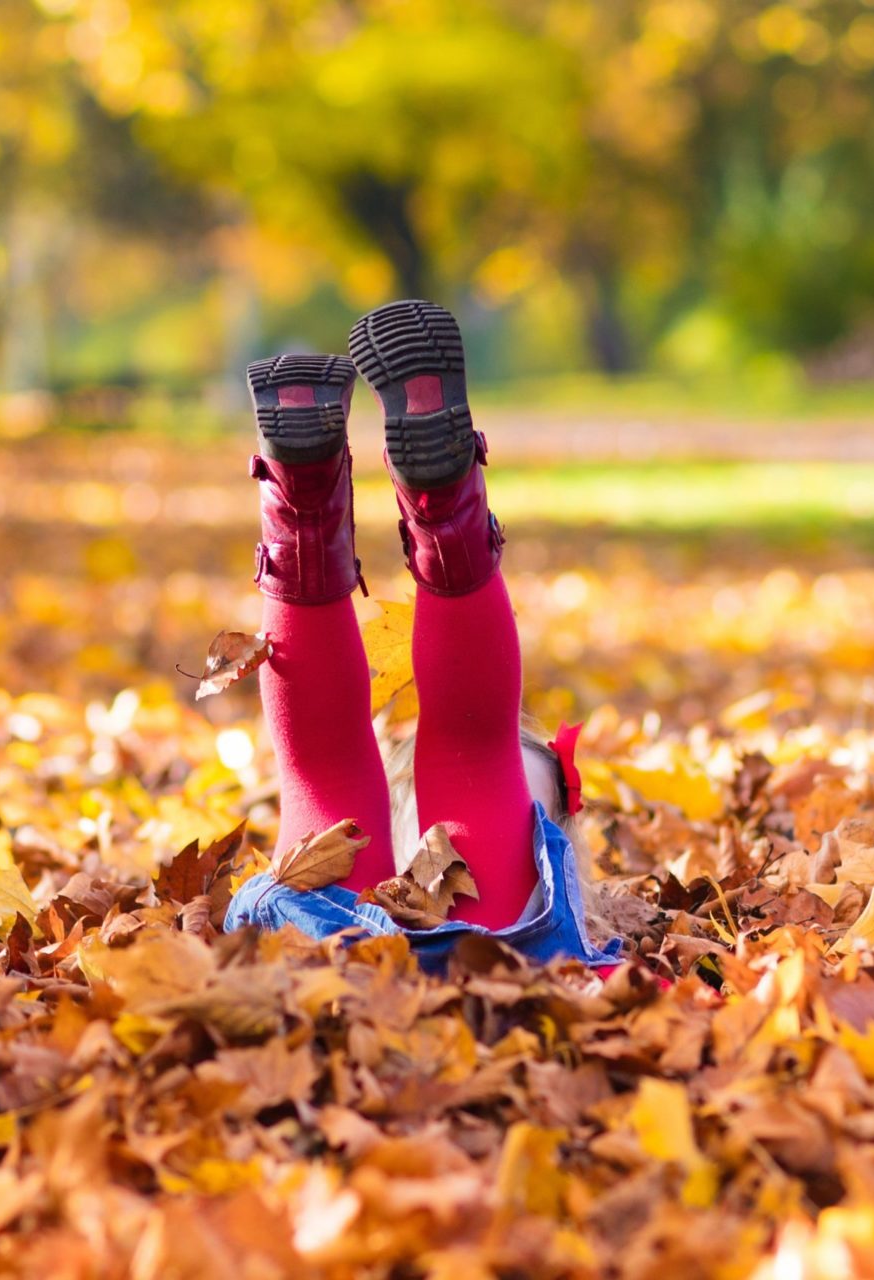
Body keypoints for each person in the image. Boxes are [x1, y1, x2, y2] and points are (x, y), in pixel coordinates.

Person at [223, 300, 619, 972]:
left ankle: (307, 503)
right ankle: (425, 507)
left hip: (334, 954)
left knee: (328, 774)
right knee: (475, 753)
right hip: (489, 953)